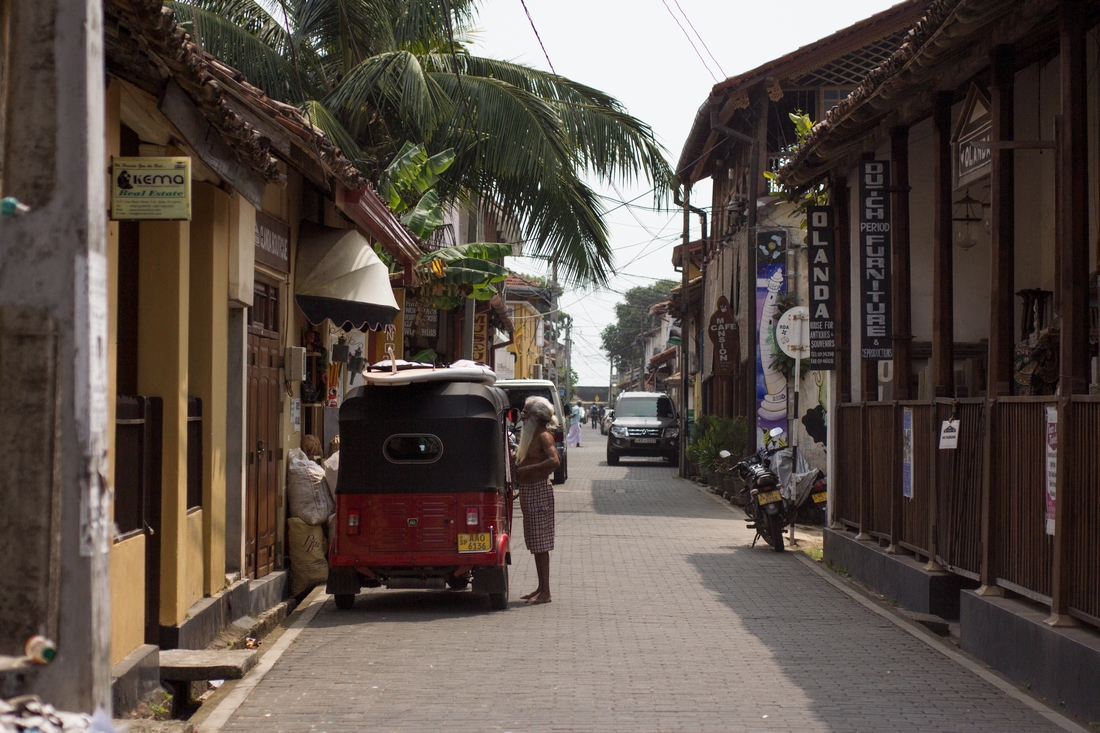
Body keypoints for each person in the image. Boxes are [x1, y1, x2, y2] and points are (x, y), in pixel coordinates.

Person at [516, 396, 561, 604]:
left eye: (526, 413)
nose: (522, 416)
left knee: (541, 544)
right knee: (535, 542)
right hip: (527, 491)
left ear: (536, 417)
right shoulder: (530, 434)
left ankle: (546, 592)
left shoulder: (544, 436)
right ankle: (541, 587)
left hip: (539, 490)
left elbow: (554, 461)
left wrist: (528, 469)